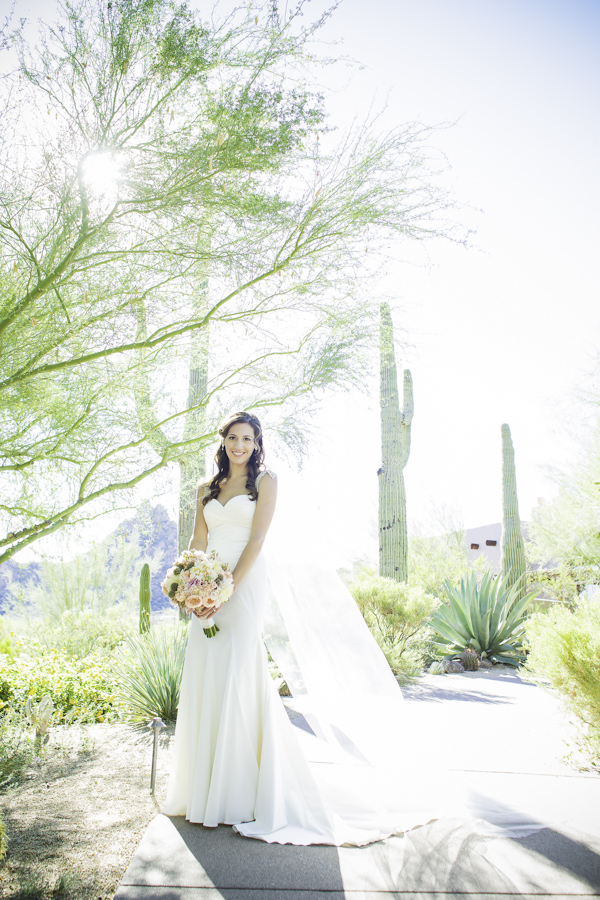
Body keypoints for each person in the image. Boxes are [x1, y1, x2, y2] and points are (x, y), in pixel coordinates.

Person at [163, 411, 540, 845]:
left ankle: (238, 792)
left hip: (242, 585)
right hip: (204, 589)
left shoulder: (266, 482)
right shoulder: (205, 489)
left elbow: (257, 540)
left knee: (237, 675)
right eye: (233, 437)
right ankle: (201, 791)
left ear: (257, 441)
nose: (240, 445)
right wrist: (190, 583)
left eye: (247, 438)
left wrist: (227, 588)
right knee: (205, 672)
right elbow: (197, 540)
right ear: (223, 441)